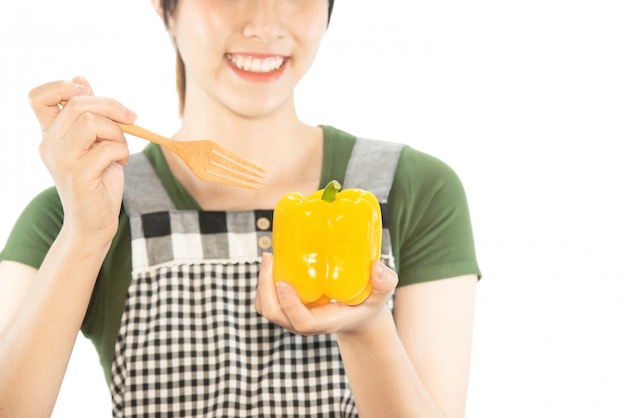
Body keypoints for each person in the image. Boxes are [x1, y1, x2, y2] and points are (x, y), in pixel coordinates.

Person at [0, 0, 481, 417]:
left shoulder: (416, 191)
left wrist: (367, 328)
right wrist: (85, 236)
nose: (265, 24)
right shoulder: (79, 209)